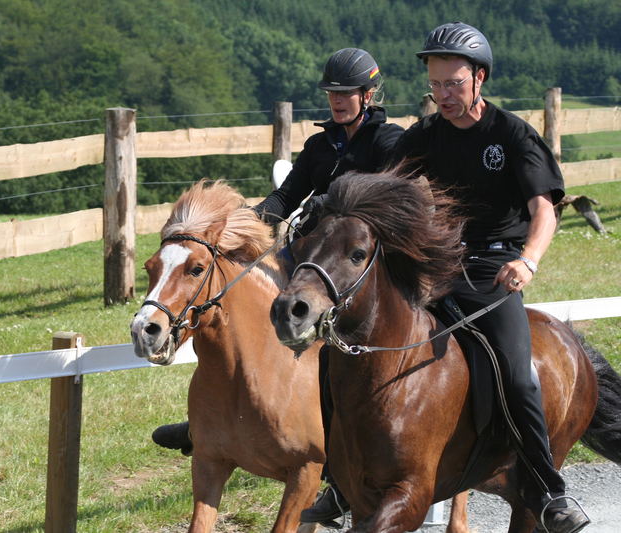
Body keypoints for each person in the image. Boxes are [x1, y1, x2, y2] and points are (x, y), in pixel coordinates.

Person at [151, 46, 404, 526]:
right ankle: (208, 424)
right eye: (332, 93)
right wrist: (245, 222)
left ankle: (340, 431)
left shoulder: (389, 141)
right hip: (308, 254)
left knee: (334, 335)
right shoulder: (321, 145)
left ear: (368, 95)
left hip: (356, 261)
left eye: (346, 93)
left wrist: (328, 200)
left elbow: (378, 194)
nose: (337, 101)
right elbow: (286, 196)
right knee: (237, 296)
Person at [391, 22, 590, 533]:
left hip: (495, 268)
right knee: (358, 335)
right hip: (436, 264)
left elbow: (543, 210)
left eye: (453, 84)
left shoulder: (512, 134)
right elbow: (383, 186)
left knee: (518, 370)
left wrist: (528, 260)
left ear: (480, 78)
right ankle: (341, 481)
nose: (443, 96)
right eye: (434, 87)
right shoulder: (425, 137)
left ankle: (548, 490)